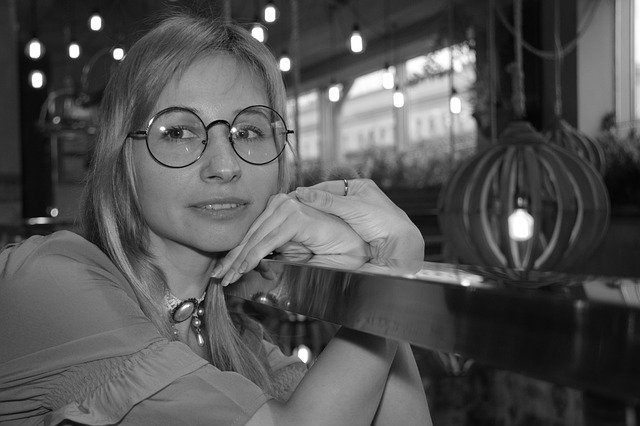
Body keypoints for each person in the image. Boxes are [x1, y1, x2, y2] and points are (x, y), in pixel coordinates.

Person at [0, 11, 431, 425]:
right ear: (120, 157)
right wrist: (391, 271)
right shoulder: (50, 282)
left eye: (248, 132)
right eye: (179, 133)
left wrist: (371, 270)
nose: (225, 166)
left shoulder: (236, 341)